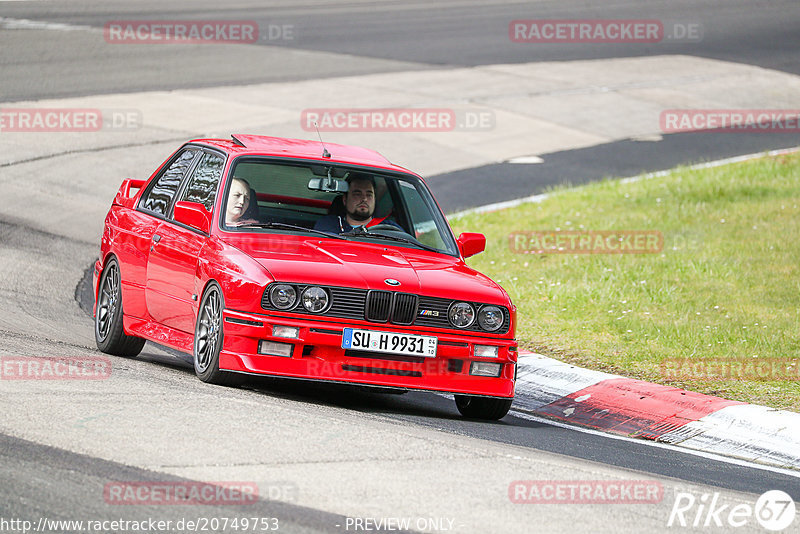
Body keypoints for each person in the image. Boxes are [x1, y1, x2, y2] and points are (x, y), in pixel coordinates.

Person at [314, 173, 400, 234]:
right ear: (345, 200)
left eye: (369, 195)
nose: (364, 199)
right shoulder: (328, 224)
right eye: (357, 194)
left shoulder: (390, 229)